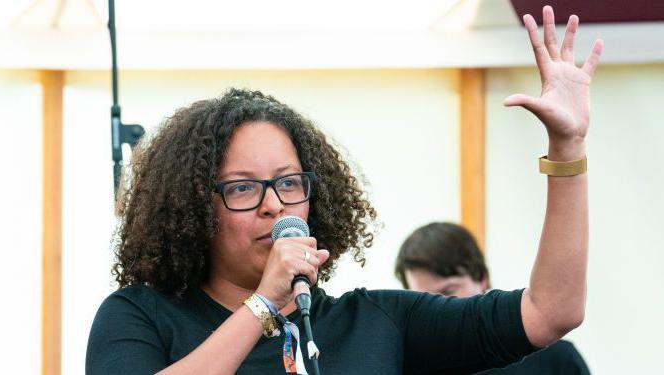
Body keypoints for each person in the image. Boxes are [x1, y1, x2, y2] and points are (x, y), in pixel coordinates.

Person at [86, 6, 603, 374]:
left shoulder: (375, 323)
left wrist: (567, 148)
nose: (273, 203)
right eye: (243, 189)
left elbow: (550, 311)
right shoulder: (140, 316)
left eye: (289, 183)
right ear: (195, 208)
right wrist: (265, 303)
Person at [395, 222, 591, 374]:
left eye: (448, 291)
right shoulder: (407, 365)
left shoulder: (556, 360)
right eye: (422, 298)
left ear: (482, 279)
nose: (436, 308)